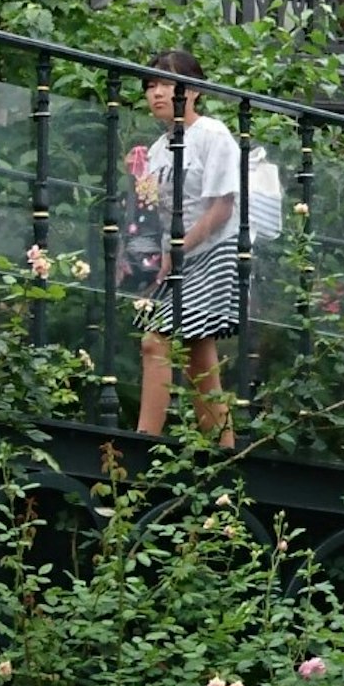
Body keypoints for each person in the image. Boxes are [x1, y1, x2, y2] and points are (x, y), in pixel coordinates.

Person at [130, 49, 243, 443]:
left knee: (155, 340)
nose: (157, 93)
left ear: (193, 90)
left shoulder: (212, 134)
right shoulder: (158, 148)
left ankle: (144, 439)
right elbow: (150, 212)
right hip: (174, 257)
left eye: (166, 83)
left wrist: (177, 249)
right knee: (198, 352)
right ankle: (223, 450)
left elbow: (223, 207)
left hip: (212, 252)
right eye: (150, 85)